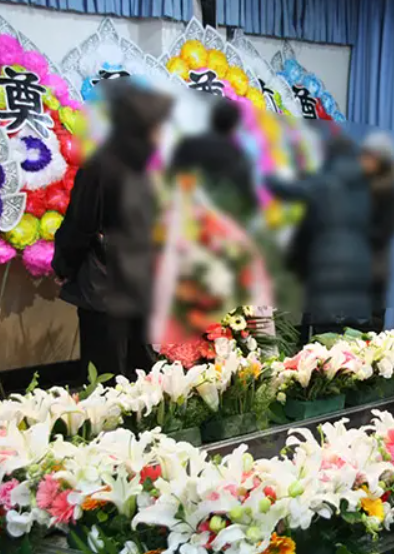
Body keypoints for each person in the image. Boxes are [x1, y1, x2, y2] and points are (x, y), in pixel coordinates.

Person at [52, 80, 173, 378]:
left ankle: (116, 425)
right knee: (141, 373)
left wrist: (62, 266)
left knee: (106, 376)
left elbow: (81, 224)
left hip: (105, 285)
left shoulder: (101, 165)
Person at [267, 134, 372, 339]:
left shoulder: (325, 183)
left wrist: (265, 175)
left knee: (327, 334)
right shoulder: (362, 186)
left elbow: (287, 190)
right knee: (353, 334)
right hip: (359, 260)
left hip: (327, 260)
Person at [169, 98, 256, 216]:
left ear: (211, 116)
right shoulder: (239, 158)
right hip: (212, 219)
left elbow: (171, 174)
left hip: (177, 206)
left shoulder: (189, 143)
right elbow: (245, 196)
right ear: (234, 126)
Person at [360, 131, 394, 330]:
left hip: (374, 264)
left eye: (370, 156)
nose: (364, 161)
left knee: (372, 322)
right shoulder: (359, 185)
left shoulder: (389, 190)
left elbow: (386, 230)